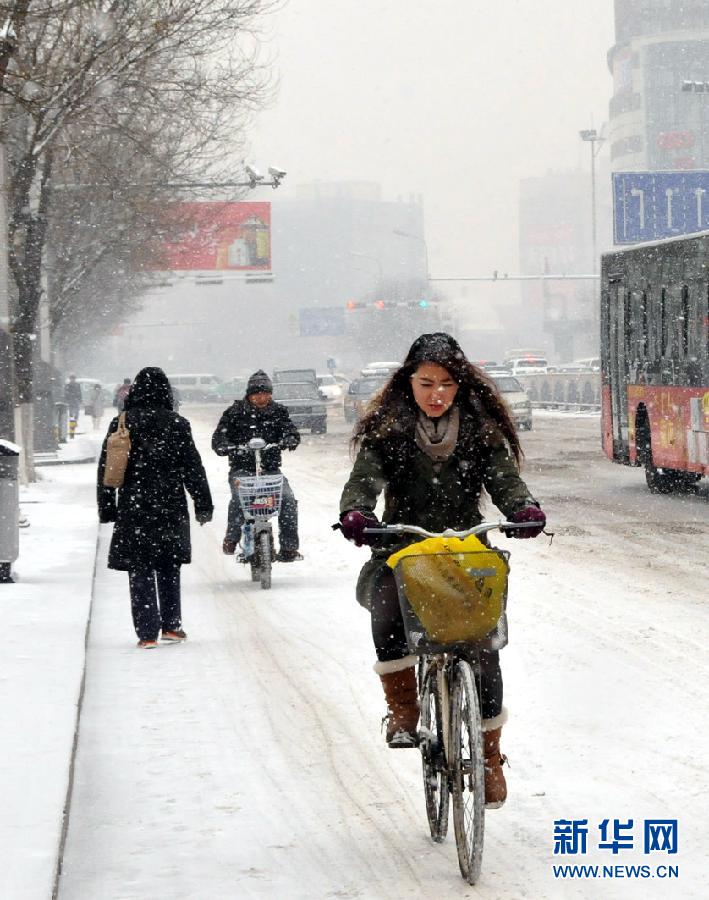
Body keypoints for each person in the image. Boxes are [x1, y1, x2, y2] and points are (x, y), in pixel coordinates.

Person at [338, 333, 546, 808]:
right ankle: (404, 710)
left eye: (447, 384)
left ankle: (490, 758)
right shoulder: (387, 430)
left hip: (465, 550)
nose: (436, 394)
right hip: (404, 548)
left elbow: (505, 481)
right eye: (426, 382)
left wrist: (524, 509)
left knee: (483, 644)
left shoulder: (480, 430)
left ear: (461, 386)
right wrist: (358, 512)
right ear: (408, 382)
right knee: (387, 606)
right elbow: (364, 481)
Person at [97, 367, 213, 649]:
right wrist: (203, 503)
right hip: (170, 504)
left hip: (134, 505)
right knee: (168, 564)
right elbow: (192, 467)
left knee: (140, 568)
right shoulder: (177, 423)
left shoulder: (121, 422)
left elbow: (106, 468)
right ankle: (172, 627)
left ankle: (147, 633)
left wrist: (107, 507)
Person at [212, 369, 302, 562]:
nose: (262, 398)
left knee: (287, 499)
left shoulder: (279, 412)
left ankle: (289, 547)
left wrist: (289, 439)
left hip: (270, 471)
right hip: (241, 470)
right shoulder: (234, 413)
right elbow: (219, 437)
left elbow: (291, 431)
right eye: (257, 394)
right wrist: (227, 446)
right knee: (239, 499)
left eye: (266, 394)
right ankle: (232, 537)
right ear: (249, 395)